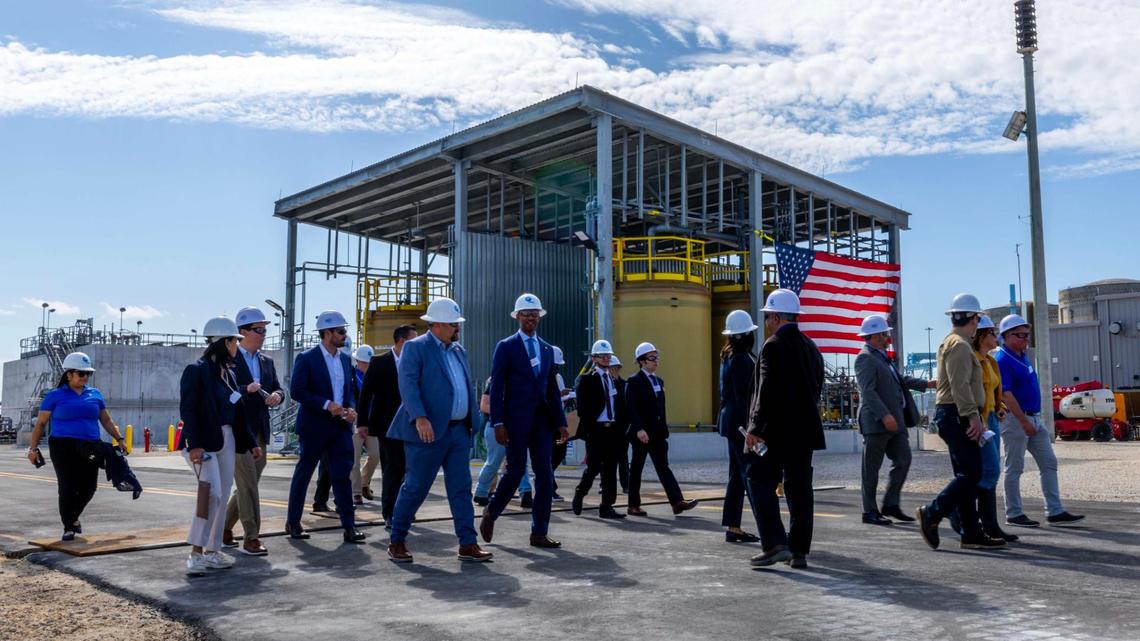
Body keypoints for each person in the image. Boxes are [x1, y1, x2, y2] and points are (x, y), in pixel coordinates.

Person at [386, 298, 491, 563]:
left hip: (458, 431)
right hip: (427, 432)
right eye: (455, 324)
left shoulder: (458, 351)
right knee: (416, 487)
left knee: (461, 488)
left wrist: (472, 422)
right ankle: (397, 538)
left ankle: (468, 543)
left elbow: (464, 387)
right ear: (440, 324)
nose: (458, 328)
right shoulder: (415, 348)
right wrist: (420, 418)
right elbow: (408, 385)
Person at [915, 294, 1006, 551]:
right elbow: (960, 386)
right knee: (972, 472)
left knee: (966, 473)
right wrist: (973, 417)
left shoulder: (956, 343)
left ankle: (971, 532)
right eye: (978, 319)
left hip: (955, 413)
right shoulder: (959, 346)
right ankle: (932, 512)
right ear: (974, 319)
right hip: (957, 413)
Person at [480, 293, 570, 549]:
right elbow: (496, 388)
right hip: (515, 422)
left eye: (534, 315)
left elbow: (551, 388)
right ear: (517, 317)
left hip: (542, 423)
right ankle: (492, 511)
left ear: (538, 317)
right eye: (526, 314)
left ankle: (539, 532)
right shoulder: (506, 347)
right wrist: (498, 422)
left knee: (544, 475)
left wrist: (560, 421)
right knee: (515, 471)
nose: (530, 318)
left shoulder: (547, 350)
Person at [745, 290, 825, 569]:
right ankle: (799, 550)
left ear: (777, 317)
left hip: (777, 430)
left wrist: (755, 427)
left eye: (768, 317)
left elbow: (765, 390)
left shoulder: (773, 345)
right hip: (805, 431)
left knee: (757, 478)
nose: (767, 322)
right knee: (800, 488)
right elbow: (818, 387)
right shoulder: (811, 347)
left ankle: (775, 543)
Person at [179, 317, 262, 575]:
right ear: (225, 342)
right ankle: (195, 553)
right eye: (235, 340)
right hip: (203, 443)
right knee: (210, 494)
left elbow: (238, 414)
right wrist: (194, 445)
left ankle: (214, 552)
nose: (237, 345)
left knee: (223, 494)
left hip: (227, 440)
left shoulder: (229, 374)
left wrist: (250, 443)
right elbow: (189, 409)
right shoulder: (196, 370)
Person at [27, 352, 128, 541]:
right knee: (67, 487)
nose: (85, 377)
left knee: (89, 487)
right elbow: (40, 424)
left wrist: (119, 439)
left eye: (87, 373)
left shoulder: (95, 394)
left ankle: (72, 518)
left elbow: (105, 419)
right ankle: (69, 526)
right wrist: (32, 450)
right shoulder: (54, 396)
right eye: (81, 373)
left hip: (91, 446)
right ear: (69, 374)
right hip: (62, 447)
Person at [284, 310, 366, 544]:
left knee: (342, 475)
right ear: (327, 333)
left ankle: (349, 527)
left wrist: (350, 408)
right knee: (304, 474)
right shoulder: (307, 358)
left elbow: (348, 392)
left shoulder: (344, 359)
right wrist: (325, 404)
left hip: (340, 427)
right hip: (314, 426)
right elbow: (297, 391)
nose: (344, 335)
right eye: (341, 331)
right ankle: (293, 522)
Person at [996, 314, 1085, 527]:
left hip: (1034, 418)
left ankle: (1054, 511)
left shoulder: (1023, 355)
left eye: (1027, 334)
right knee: (1014, 467)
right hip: (1017, 420)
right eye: (1020, 335)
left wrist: (1033, 420)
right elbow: (1006, 394)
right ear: (1006, 336)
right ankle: (1014, 513)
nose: (1025, 338)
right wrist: (1023, 421)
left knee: (1049, 463)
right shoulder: (1002, 359)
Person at [854, 314, 934, 526]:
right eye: (882, 334)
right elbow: (868, 392)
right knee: (870, 469)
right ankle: (869, 511)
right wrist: (885, 415)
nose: (886, 337)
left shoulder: (881, 357)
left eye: (885, 333)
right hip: (877, 423)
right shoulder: (865, 358)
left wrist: (927, 384)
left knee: (903, 459)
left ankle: (890, 504)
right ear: (871, 336)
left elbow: (900, 380)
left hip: (895, 421)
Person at [947, 314, 1019, 541]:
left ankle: (989, 523)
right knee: (988, 471)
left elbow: (993, 392)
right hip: (980, 419)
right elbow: (966, 390)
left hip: (992, 418)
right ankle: (956, 507)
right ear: (981, 336)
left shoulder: (991, 361)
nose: (995, 336)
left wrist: (999, 407)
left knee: (990, 471)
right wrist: (976, 416)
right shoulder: (972, 358)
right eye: (991, 333)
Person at [222, 306, 283, 557]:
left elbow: (278, 388)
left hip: (259, 428)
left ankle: (224, 528)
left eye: (264, 330)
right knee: (248, 483)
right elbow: (223, 392)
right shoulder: (229, 361)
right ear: (242, 332)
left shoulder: (266, 361)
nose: (263, 334)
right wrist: (246, 388)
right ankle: (252, 536)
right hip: (238, 429)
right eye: (259, 330)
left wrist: (278, 396)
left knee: (250, 482)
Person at [625, 342, 698, 517]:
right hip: (642, 433)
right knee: (636, 468)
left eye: (656, 357)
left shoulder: (659, 381)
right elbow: (631, 407)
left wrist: (663, 429)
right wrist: (639, 429)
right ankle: (633, 505)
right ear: (642, 361)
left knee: (664, 467)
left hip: (657, 433)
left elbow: (661, 409)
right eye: (652, 358)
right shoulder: (634, 381)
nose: (656, 361)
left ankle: (677, 502)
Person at [358, 325, 417, 526]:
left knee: (410, 468)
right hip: (387, 425)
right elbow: (366, 394)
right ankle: (390, 512)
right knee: (393, 468)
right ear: (401, 341)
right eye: (413, 340)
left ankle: (405, 508)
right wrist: (362, 423)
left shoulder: (416, 363)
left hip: (411, 424)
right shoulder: (379, 362)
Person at [717, 310, 761, 543]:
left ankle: (733, 526)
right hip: (740, 425)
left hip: (730, 423)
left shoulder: (729, 356)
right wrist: (751, 429)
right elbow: (745, 397)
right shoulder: (743, 359)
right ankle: (768, 527)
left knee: (736, 475)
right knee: (750, 474)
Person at [572, 339, 626, 520]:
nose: (606, 358)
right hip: (596, 430)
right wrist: (589, 431)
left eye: (608, 355)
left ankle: (607, 506)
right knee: (593, 466)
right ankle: (580, 493)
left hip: (612, 430)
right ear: (594, 358)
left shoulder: (614, 380)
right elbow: (582, 409)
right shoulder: (587, 380)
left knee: (611, 469)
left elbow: (620, 405)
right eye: (602, 356)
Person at [473, 376, 534, 508]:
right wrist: (504, 413)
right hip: (496, 427)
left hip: (515, 427)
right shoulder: (496, 381)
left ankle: (526, 493)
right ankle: (481, 492)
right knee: (493, 462)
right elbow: (484, 406)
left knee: (520, 462)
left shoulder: (523, 381)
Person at [349, 344, 381, 506]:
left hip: (372, 421)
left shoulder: (375, 377)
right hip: (355, 420)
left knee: (376, 454)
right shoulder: (351, 377)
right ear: (357, 361)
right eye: (364, 362)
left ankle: (364, 483)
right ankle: (355, 493)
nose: (367, 366)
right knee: (354, 458)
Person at [608, 355, 630, 493]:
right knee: (608, 458)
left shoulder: (625, 385)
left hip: (622, 427)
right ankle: (606, 485)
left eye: (615, 368)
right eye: (610, 368)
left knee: (623, 457)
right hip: (608, 427)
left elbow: (628, 406)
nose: (612, 371)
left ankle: (626, 484)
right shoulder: (604, 383)